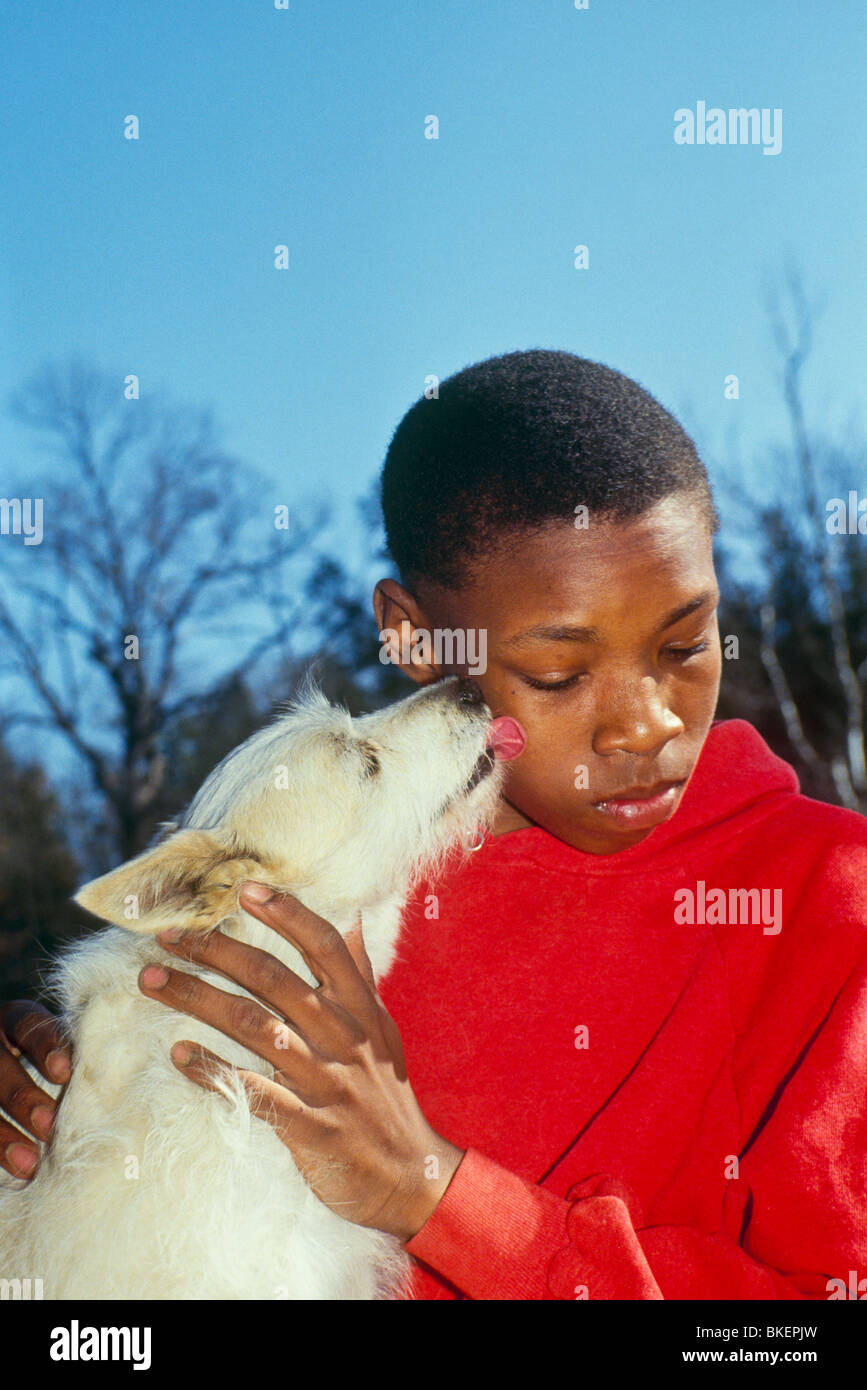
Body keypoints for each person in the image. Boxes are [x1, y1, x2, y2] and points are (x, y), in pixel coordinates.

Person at [2, 349, 865, 1300]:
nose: (645, 725)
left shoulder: (832, 898)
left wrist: (435, 1196)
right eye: (558, 674)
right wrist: (69, 1114)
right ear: (415, 638)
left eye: (684, 644)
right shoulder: (327, 903)